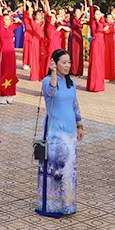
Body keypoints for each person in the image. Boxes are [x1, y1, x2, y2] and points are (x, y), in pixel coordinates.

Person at [36, 49, 84, 217]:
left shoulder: (71, 83)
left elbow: (75, 104)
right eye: (64, 62)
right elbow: (52, 92)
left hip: (69, 132)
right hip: (54, 133)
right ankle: (51, 206)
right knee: (55, 168)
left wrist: (79, 124)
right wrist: (54, 73)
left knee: (69, 168)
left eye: (69, 62)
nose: (67, 65)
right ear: (55, 64)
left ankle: (67, 204)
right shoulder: (47, 81)